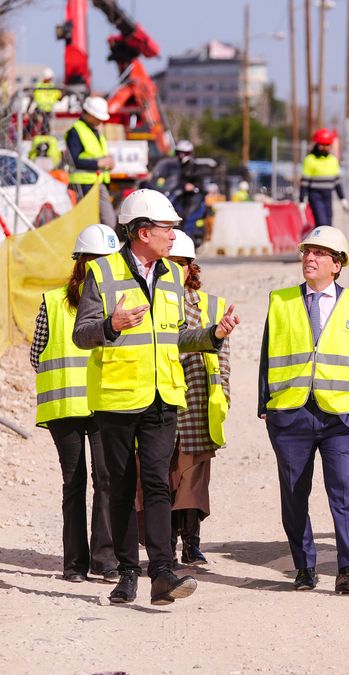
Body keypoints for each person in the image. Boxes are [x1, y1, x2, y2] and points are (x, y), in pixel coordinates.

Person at [73, 189, 239, 606]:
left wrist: (212, 335)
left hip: (164, 395)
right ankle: (127, 572)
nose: (173, 235)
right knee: (121, 487)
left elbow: (177, 335)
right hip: (117, 397)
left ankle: (162, 571)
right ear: (142, 232)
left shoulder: (171, 274)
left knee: (157, 485)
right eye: (167, 228)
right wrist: (110, 324)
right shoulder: (103, 273)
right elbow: (81, 333)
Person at [258, 225, 349, 594]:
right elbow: (268, 354)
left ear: (337, 265)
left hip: (342, 416)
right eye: (307, 252)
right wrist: (267, 405)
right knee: (294, 494)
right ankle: (304, 566)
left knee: (345, 491)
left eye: (320, 253)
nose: (310, 258)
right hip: (291, 413)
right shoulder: (280, 301)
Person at [31, 223, 121, 584]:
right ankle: (91, 562)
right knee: (95, 481)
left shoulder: (111, 302)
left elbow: (36, 355)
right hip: (76, 406)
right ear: (83, 264)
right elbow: (40, 352)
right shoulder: (60, 301)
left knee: (97, 481)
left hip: (97, 403)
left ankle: (87, 564)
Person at [162, 230, 230, 566]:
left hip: (197, 402)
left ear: (192, 268)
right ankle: (165, 545)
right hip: (161, 398)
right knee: (163, 477)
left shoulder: (210, 305)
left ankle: (191, 543)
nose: (176, 270)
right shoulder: (149, 301)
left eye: (181, 264)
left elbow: (224, 359)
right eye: (170, 263)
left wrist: (224, 397)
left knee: (192, 479)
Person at [65, 95, 116, 228]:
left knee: (108, 221)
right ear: (89, 114)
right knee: (86, 223)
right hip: (83, 184)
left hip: (98, 181)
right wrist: (99, 163)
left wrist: (108, 163)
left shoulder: (95, 131)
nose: (100, 121)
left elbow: (97, 154)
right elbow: (75, 160)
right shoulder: (76, 131)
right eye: (98, 117)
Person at [300, 128, 349, 227]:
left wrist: (342, 198)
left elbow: (336, 182)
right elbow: (304, 182)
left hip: (328, 195)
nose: (324, 147)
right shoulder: (309, 160)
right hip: (315, 195)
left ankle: (326, 241)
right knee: (321, 222)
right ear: (317, 145)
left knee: (328, 223)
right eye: (322, 145)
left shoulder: (333, 160)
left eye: (327, 145)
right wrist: (302, 200)